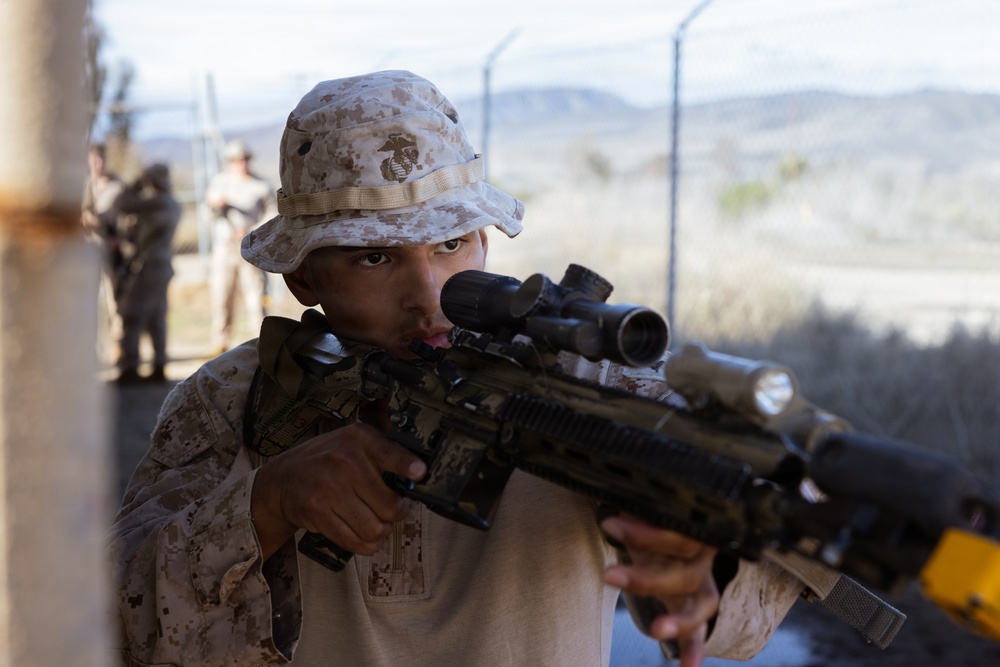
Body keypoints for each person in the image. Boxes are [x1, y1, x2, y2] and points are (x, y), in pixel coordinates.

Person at [108, 71, 803, 667]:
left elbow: (746, 600)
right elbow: (113, 624)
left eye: (450, 243)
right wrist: (267, 502)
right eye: (374, 257)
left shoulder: (587, 386)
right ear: (302, 276)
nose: (429, 296)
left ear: (483, 241)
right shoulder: (232, 398)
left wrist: (702, 573)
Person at [113, 162, 181, 384]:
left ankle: (130, 366)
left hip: (149, 266)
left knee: (132, 315)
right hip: (161, 265)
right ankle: (159, 364)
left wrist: (136, 183)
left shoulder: (156, 203)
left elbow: (121, 203)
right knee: (155, 317)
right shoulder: (172, 203)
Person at [207, 139, 275, 354]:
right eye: (236, 160)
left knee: (256, 295)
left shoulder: (261, 185)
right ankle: (221, 341)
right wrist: (216, 202)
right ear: (230, 161)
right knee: (222, 294)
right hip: (225, 247)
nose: (241, 163)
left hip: (251, 247)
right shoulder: (220, 182)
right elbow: (209, 207)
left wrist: (252, 231)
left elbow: (272, 215)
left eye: (244, 159)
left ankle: (261, 341)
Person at [81, 143, 128, 346]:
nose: (97, 165)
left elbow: (129, 217)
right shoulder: (83, 186)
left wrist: (122, 238)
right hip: (87, 248)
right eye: (92, 161)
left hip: (110, 249)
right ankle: (91, 346)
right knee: (87, 299)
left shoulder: (118, 186)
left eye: (100, 160)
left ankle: (119, 345)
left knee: (114, 299)